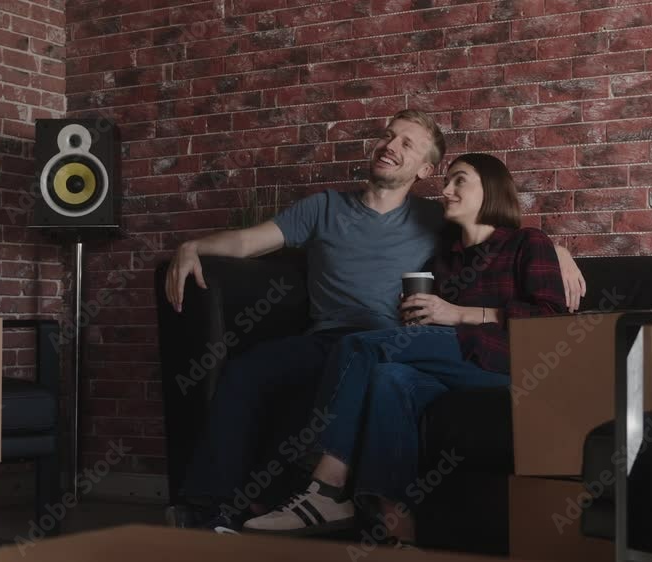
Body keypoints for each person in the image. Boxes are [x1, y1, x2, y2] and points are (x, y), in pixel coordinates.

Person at [164, 110, 584, 533]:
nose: (391, 146)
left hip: (397, 340)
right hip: (342, 340)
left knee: (373, 359)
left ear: (424, 169)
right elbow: (246, 240)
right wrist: (192, 247)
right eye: (388, 136)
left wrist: (557, 252)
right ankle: (218, 509)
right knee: (264, 370)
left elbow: (506, 244)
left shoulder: (434, 220)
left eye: (407, 143)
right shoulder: (339, 212)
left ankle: (325, 491)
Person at [240, 153, 567, 546]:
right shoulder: (443, 262)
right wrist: (417, 320)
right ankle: (399, 530)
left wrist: (458, 314)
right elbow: (433, 332)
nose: (446, 191)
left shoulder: (526, 242)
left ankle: (326, 487)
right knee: (389, 376)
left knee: (359, 346)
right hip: (454, 364)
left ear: (491, 188)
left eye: (459, 180)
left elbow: (550, 320)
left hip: (508, 364)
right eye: (446, 181)